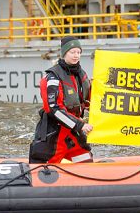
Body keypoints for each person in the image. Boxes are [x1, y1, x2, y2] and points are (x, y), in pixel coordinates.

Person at [29, 36, 93, 164]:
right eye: (72, 52)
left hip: (73, 133)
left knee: (85, 161)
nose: (76, 56)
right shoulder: (53, 77)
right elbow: (54, 109)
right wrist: (80, 125)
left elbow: (88, 102)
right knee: (44, 167)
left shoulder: (81, 75)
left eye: (79, 52)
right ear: (64, 53)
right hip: (55, 133)